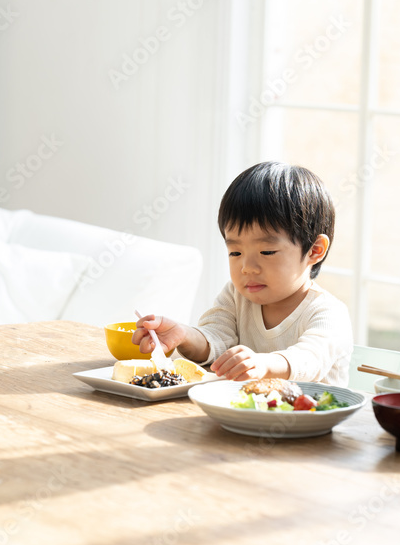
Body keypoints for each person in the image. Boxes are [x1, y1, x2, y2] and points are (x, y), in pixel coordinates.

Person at [132, 161, 353, 385]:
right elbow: (216, 338)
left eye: (267, 251)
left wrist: (264, 364)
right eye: (235, 252)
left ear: (315, 250)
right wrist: (184, 335)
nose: (247, 267)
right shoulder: (236, 295)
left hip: (311, 418)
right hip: (247, 416)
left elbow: (309, 359)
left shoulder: (329, 313)